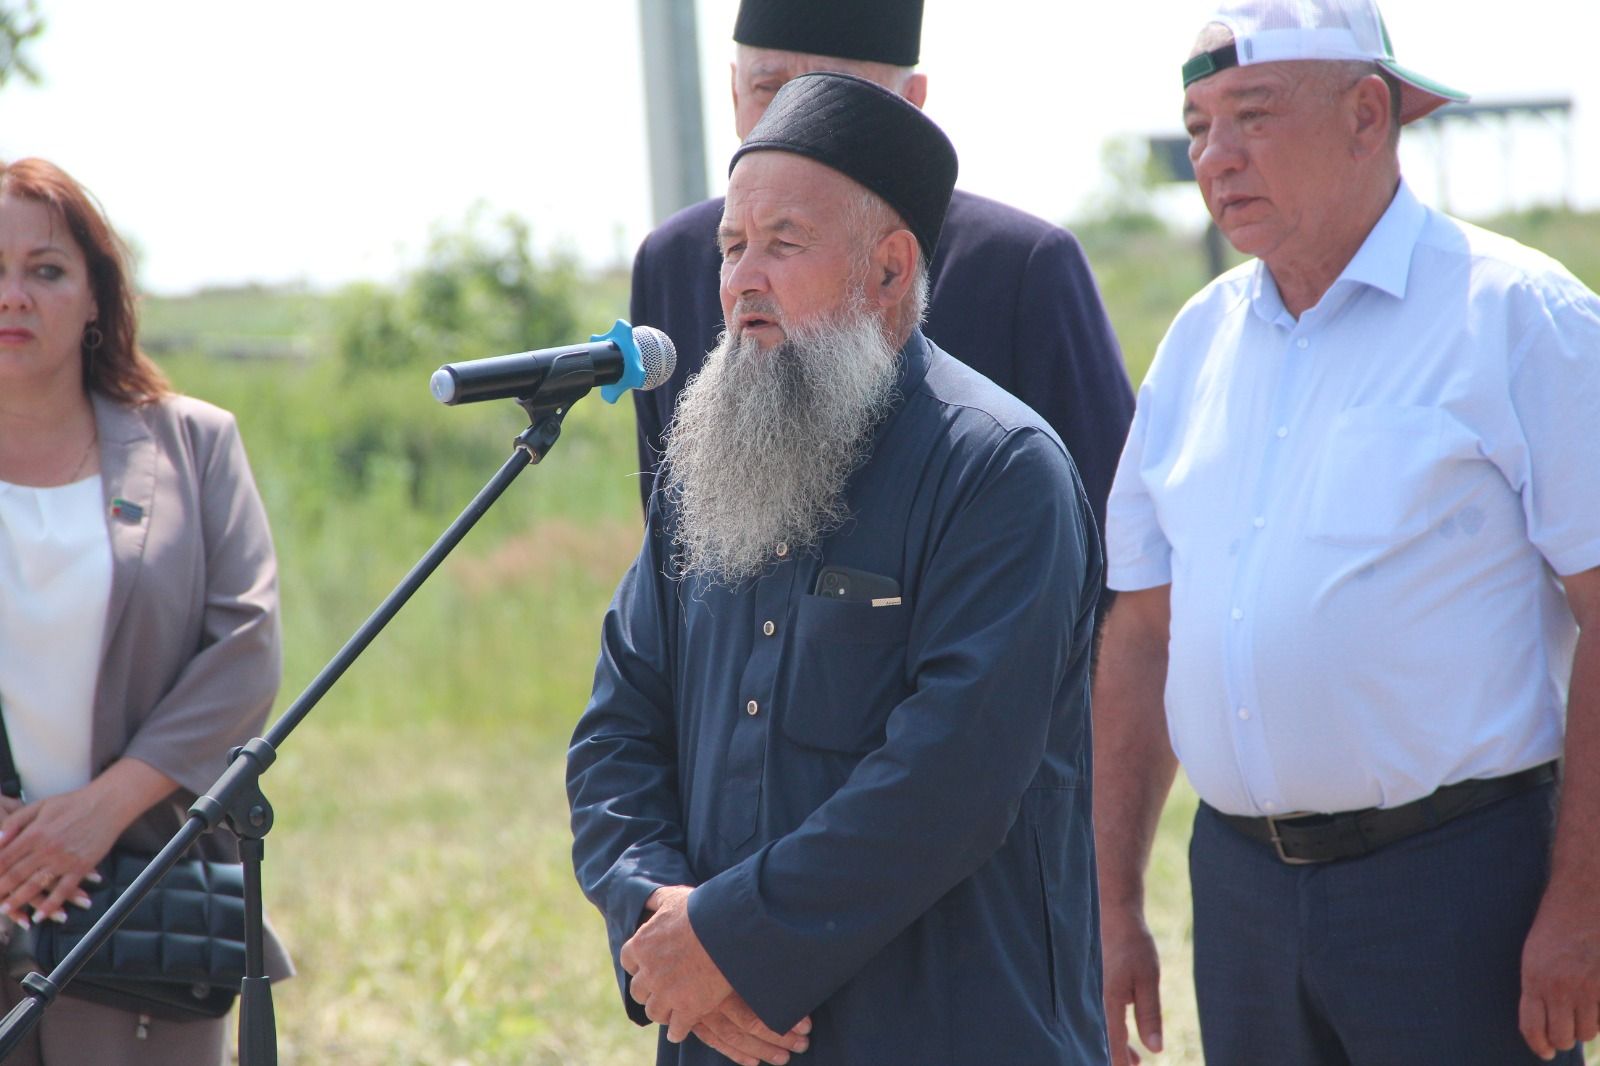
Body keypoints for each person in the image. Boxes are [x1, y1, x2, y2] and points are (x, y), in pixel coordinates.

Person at [1093, 1, 1600, 1063]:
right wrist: (1113, 904)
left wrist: (1581, 905)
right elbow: (1143, 634)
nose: (1214, 157)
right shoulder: (1193, 347)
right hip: (1237, 900)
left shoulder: (1518, 316)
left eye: (1252, 115)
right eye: (1195, 125)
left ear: (1367, 115)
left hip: (1460, 894)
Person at [569, 73, 1109, 1066]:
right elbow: (618, 731)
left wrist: (729, 941)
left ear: (888, 269)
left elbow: (951, 780)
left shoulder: (996, 469)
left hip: (946, 1028)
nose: (741, 279)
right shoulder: (704, 468)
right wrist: (661, 926)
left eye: (782, 243)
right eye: (731, 247)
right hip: (723, 1037)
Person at [629, 0, 1134, 589]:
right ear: (733, 91)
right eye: (769, 87)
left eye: (835, 92)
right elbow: (669, 573)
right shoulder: (673, 264)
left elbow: (1118, 556)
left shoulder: (1023, 268)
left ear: (912, 99)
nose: (794, 117)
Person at [0, 157, 291, 1064]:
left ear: (95, 297)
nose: (14, 296)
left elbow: (247, 643)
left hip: (139, 896)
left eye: (45, 270)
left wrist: (98, 811)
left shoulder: (192, 442)